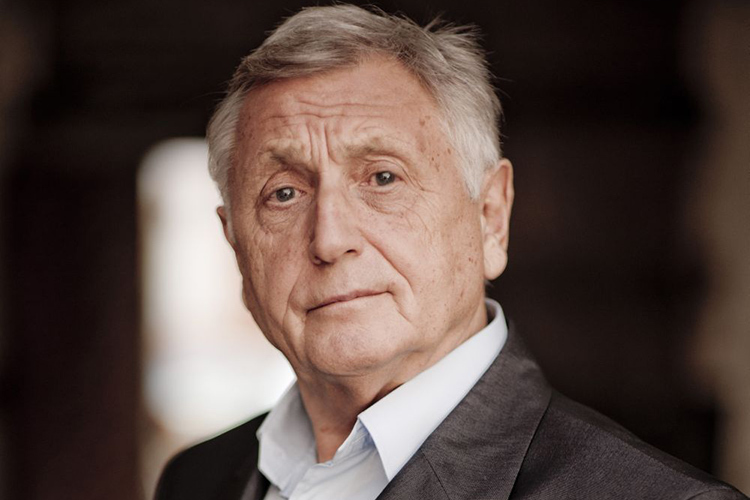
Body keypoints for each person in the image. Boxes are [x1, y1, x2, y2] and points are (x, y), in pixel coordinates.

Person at [155, 5, 747, 500]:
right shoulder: (195, 480)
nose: (329, 239)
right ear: (236, 243)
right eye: (283, 193)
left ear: (490, 217)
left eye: (383, 178)